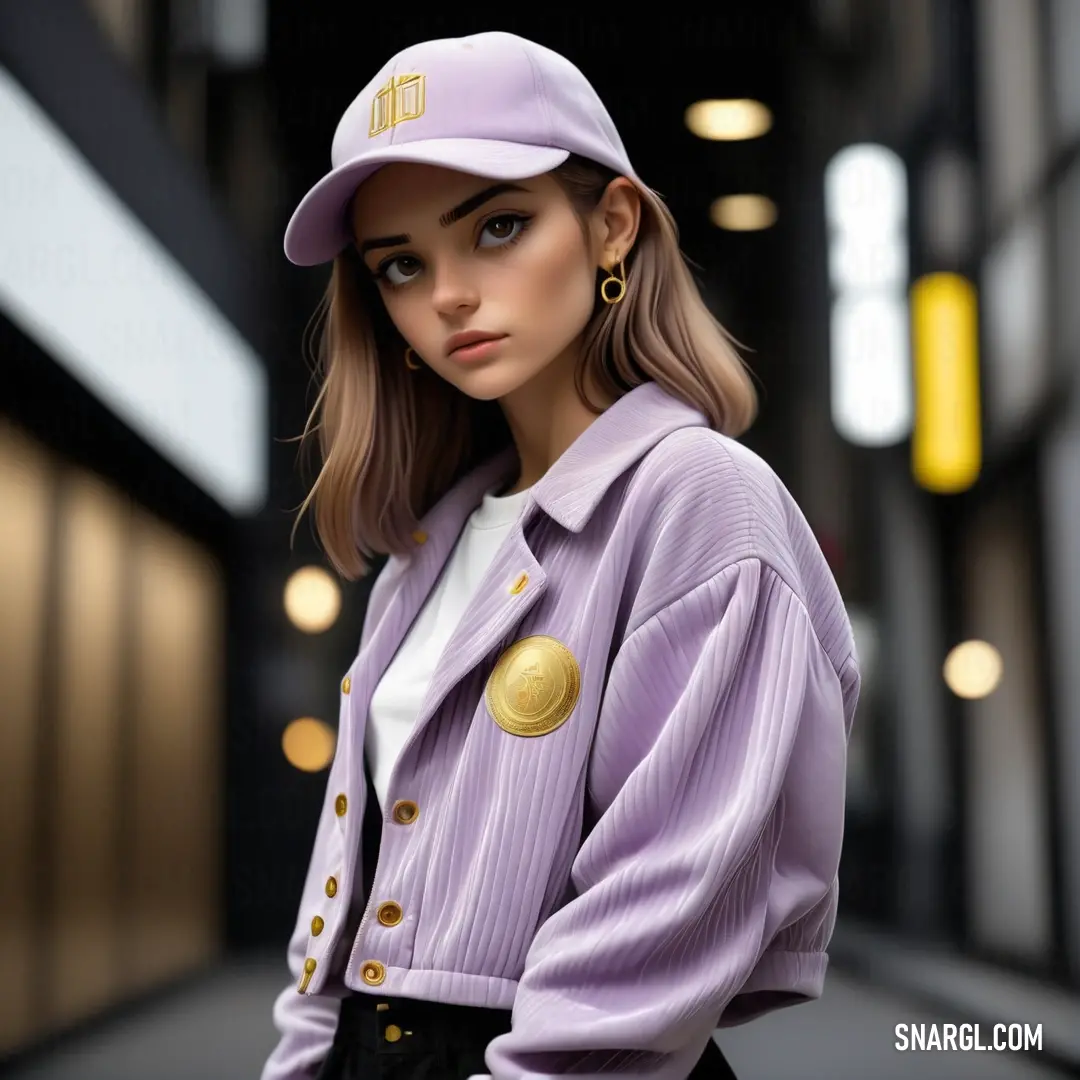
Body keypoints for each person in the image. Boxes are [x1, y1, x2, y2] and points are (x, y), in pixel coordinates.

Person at [261, 30, 860, 1080]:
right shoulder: (426, 550)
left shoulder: (700, 502)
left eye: (496, 227)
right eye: (400, 263)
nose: (447, 295)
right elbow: (340, 903)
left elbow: (671, 904)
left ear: (613, 225)